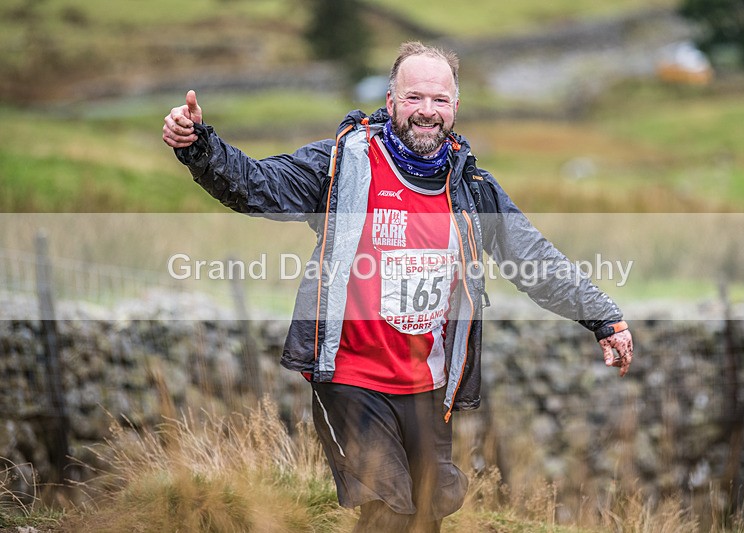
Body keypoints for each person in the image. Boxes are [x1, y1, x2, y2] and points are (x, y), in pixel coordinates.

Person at [162, 41, 633, 533]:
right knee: (388, 511)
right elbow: (258, 185)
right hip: (350, 376)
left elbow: (533, 257)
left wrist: (603, 318)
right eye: (413, 98)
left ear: (455, 107)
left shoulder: (472, 189)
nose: (426, 111)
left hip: (428, 385)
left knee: (428, 509)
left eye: (439, 100)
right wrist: (199, 146)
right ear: (390, 102)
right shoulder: (344, 165)